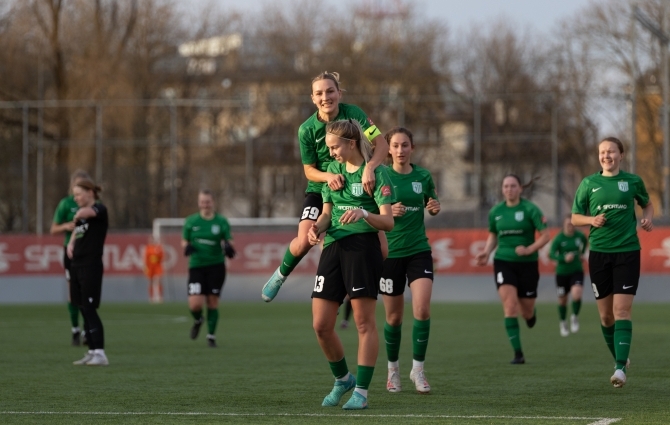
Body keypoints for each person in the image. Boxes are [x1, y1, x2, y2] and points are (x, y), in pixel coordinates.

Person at [261, 71, 390, 302]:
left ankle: (356, 289)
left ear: (339, 93)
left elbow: (381, 145)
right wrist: (327, 177)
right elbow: (309, 170)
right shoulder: (307, 129)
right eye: (319, 93)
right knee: (304, 242)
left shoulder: (355, 114)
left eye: (330, 91)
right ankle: (281, 274)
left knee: (381, 249)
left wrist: (369, 168)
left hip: (355, 183)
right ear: (312, 98)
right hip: (321, 187)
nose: (325, 97)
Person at [307, 119, 395, 410]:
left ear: (351, 143)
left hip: (362, 249)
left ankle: (361, 392)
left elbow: (388, 222)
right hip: (332, 248)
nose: (331, 153)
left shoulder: (378, 174)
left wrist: (363, 214)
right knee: (320, 324)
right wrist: (316, 228)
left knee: (363, 323)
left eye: (334, 147)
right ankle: (342, 378)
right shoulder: (333, 171)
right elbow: (327, 214)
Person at [571, 136, 653, 388]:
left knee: (622, 311)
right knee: (606, 318)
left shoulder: (632, 181)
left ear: (621, 155)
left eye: (611, 151)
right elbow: (575, 218)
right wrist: (591, 221)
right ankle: (621, 357)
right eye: (602, 152)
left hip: (627, 253)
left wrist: (647, 219)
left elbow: (647, 204)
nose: (606, 156)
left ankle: (619, 369)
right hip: (599, 254)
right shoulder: (588, 183)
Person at [380, 127, 440, 394]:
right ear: (388, 149)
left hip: (418, 250)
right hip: (390, 253)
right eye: (395, 145)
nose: (401, 150)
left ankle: (418, 369)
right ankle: (393, 370)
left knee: (422, 310)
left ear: (412, 148)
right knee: (393, 318)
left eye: (405, 145)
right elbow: (369, 209)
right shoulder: (381, 175)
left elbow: (432, 201)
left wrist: (434, 206)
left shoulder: (423, 176)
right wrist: (387, 210)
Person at [475, 175, 550, 365]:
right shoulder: (496, 212)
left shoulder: (530, 209)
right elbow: (493, 236)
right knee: (510, 306)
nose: (509, 189)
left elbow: (545, 236)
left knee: (526, 311)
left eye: (513, 186)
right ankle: (518, 353)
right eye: (506, 186)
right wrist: (486, 252)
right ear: (502, 189)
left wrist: (529, 249)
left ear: (520, 189)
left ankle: (530, 316)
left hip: (528, 263)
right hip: (503, 261)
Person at [181, 190, 235, 348]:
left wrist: (228, 246)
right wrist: (187, 246)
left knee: (212, 301)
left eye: (208, 202)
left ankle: (211, 336)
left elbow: (229, 240)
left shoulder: (221, 221)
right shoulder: (191, 221)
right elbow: (184, 240)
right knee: (195, 304)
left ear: (213, 202)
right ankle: (198, 319)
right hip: (196, 266)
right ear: (199, 203)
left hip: (216, 266)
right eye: (202, 202)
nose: (205, 205)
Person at [68, 178, 109, 366]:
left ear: (90, 193)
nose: (75, 198)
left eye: (78, 194)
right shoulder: (81, 216)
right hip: (77, 265)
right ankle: (92, 351)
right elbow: (77, 229)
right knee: (82, 308)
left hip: (91, 265)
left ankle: (100, 353)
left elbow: (85, 212)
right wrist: (71, 243)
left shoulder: (99, 209)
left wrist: (78, 214)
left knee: (90, 309)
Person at [50, 169, 91, 346]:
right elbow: (53, 229)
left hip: (89, 252)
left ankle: (88, 330)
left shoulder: (95, 205)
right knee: (74, 293)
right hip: (71, 253)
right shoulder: (66, 204)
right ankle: (75, 328)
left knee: (87, 292)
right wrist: (66, 226)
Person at [548, 214, 588, 337]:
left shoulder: (580, 236)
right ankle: (563, 322)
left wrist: (582, 254)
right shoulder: (559, 238)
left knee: (577, 294)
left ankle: (574, 317)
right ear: (564, 225)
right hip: (562, 273)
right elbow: (551, 254)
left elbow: (585, 243)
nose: (570, 226)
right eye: (567, 224)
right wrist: (563, 258)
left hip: (576, 270)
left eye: (572, 224)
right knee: (563, 300)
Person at [144, 235, 165, 303]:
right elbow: (146, 258)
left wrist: (157, 257)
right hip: (150, 266)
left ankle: (159, 297)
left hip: (157, 265)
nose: (151, 241)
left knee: (158, 280)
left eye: (152, 240)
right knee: (150, 281)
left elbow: (161, 256)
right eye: (150, 240)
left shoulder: (158, 247)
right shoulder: (148, 248)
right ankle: (151, 297)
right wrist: (146, 267)